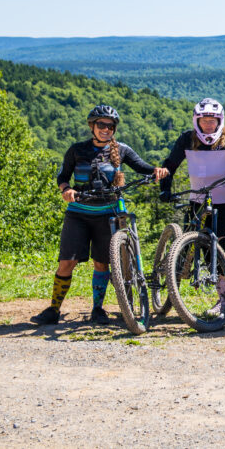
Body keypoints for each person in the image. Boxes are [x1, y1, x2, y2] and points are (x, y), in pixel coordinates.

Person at [31, 105, 168, 326]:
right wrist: (66, 190)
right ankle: (53, 310)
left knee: (102, 263)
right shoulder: (77, 150)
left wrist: (157, 170)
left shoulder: (122, 150)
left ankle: (97, 309)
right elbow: (63, 176)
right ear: (92, 126)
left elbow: (142, 167)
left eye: (110, 126)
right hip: (78, 213)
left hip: (108, 214)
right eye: (101, 124)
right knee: (67, 262)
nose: (106, 129)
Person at [158, 98, 225, 319]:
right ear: (197, 121)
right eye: (204, 121)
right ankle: (175, 281)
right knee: (201, 250)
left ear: (220, 121)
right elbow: (169, 165)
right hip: (198, 203)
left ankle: (224, 302)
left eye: (213, 121)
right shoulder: (187, 139)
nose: (209, 126)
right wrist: (165, 188)